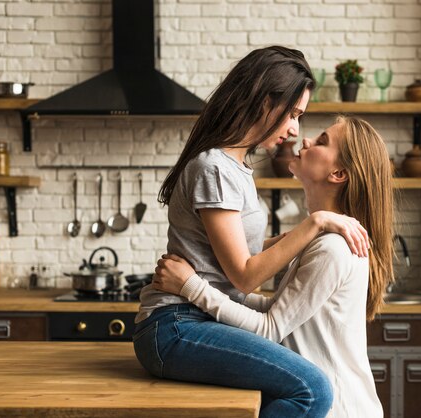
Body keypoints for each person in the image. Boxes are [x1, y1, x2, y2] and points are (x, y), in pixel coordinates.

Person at [133, 46, 370, 418]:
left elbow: (245, 249)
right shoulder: (214, 167)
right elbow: (244, 275)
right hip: (178, 324)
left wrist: (316, 228)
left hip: (200, 319)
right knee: (311, 389)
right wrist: (317, 221)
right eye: (292, 114)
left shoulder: (236, 168)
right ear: (264, 102)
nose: (295, 130)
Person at [152, 115, 395, 418]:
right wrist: (195, 287)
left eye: (321, 141)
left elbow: (269, 329)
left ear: (338, 173)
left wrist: (193, 287)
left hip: (333, 408)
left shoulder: (332, 248)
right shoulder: (323, 239)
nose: (303, 139)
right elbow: (276, 309)